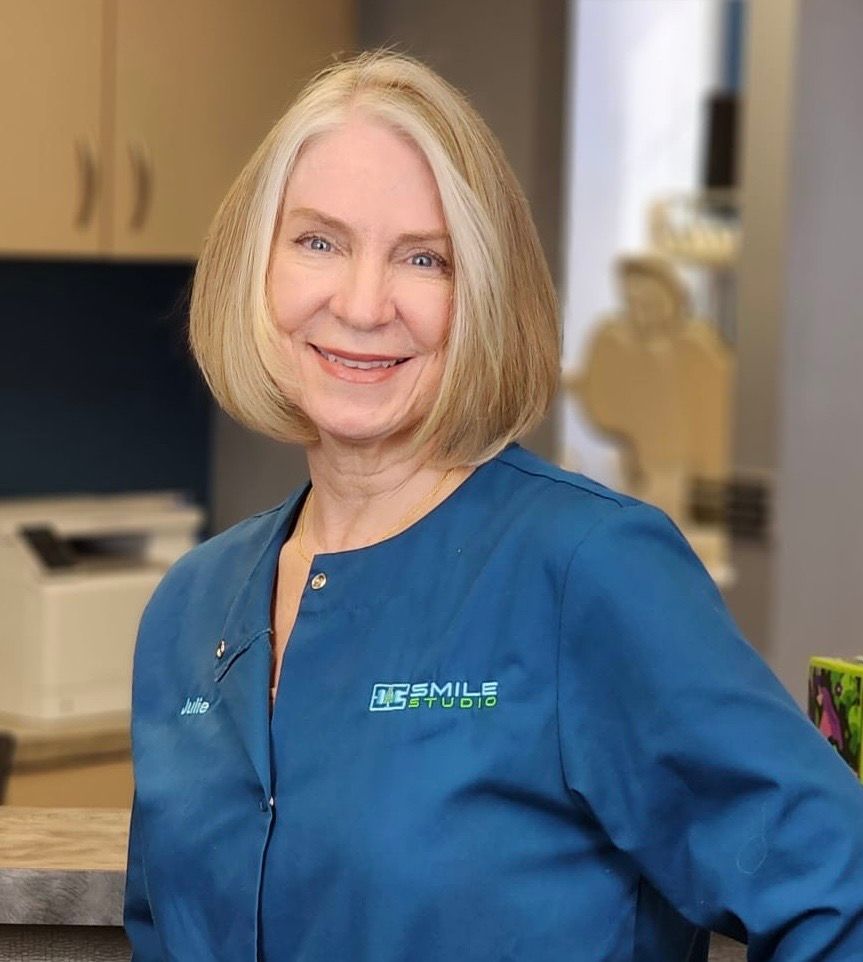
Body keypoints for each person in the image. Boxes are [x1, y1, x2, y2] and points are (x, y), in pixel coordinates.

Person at [123, 50, 863, 962]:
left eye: (423, 258)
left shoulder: (591, 571)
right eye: (318, 240)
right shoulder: (189, 610)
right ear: (255, 268)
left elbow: (840, 892)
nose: (361, 302)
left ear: (481, 295)